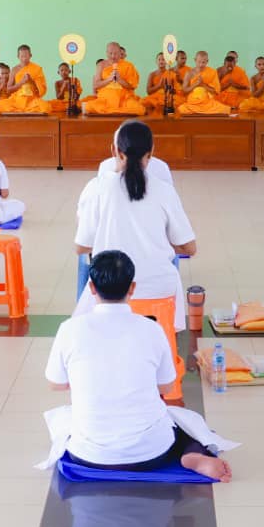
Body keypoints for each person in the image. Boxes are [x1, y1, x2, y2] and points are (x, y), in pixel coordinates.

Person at [46, 250, 232, 480]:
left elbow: (55, 383)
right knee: (186, 422)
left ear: (91, 288)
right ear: (132, 288)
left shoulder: (70, 329)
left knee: (63, 419)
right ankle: (192, 454)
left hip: (87, 454)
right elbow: (165, 387)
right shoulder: (151, 329)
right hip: (150, 454)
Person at [73, 122, 195, 329]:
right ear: (151, 153)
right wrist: (157, 242)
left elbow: (81, 247)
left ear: (115, 151)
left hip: (111, 289)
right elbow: (189, 248)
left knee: (80, 320)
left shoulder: (97, 188)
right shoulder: (164, 191)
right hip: (159, 288)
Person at [81, 42, 145, 117]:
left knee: (139, 109)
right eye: (110, 53)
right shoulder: (101, 65)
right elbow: (96, 85)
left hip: (123, 99)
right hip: (106, 99)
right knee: (89, 106)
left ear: (120, 53)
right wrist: (109, 79)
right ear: (106, 53)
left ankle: (110, 112)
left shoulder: (128, 65)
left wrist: (120, 80)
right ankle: (118, 112)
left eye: (116, 53)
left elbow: (132, 86)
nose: (113, 56)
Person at [0, 45, 52, 115]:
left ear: (30, 55)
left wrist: (31, 81)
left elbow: (41, 91)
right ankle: (24, 110)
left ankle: (20, 111)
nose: (24, 59)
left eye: (26, 56)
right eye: (22, 56)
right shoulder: (14, 70)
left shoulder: (37, 69)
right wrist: (21, 82)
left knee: (46, 107)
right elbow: (9, 90)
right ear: (18, 56)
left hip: (31, 100)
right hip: (17, 100)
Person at [176, 51, 231, 116]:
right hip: (193, 103)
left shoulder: (212, 72)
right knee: (182, 109)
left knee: (225, 109)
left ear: (207, 61)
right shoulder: (189, 73)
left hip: (207, 103)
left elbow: (216, 91)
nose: (201, 65)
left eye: (203, 62)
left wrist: (203, 85)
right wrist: (195, 84)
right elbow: (184, 90)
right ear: (195, 60)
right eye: (199, 62)